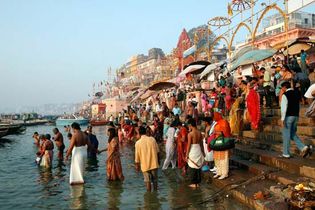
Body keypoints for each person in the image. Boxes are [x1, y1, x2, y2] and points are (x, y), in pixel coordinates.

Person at [280, 82, 311, 158]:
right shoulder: (296, 93)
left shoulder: (285, 95)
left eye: (282, 88)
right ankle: (303, 147)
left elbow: (284, 108)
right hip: (295, 116)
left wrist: (282, 119)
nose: (282, 90)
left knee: (286, 135)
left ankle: (286, 153)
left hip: (288, 117)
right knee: (292, 134)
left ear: (284, 87)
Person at [135, 126, 160, 192]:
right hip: (154, 163)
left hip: (145, 166)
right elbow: (158, 152)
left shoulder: (137, 143)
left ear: (139, 133)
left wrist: (137, 166)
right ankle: (155, 193)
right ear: (145, 132)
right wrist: (158, 161)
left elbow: (137, 157)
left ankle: (148, 198)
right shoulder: (152, 139)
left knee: (147, 181)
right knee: (155, 181)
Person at [212, 112, 231, 180]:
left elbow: (225, 132)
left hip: (223, 142)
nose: (213, 118)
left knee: (223, 158)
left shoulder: (224, 122)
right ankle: (219, 172)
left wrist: (216, 132)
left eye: (214, 116)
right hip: (217, 142)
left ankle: (224, 173)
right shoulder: (217, 123)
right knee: (217, 158)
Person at [186, 119, 204, 188]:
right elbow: (201, 144)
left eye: (188, 126)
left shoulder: (190, 134)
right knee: (198, 166)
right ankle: (197, 182)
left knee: (192, 167)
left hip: (193, 151)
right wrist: (203, 153)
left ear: (190, 125)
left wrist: (186, 155)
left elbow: (189, 145)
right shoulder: (199, 133)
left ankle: (193, 183)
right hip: (198, 150)